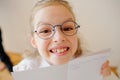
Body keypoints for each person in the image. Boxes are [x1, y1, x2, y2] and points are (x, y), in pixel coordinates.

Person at [0, 0, 111, 79]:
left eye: (67, 28)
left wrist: (105, 76)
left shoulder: (90, 63)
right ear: (33, 41)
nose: (59, 38)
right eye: (45, 31)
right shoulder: (26, 70)